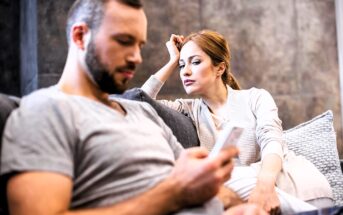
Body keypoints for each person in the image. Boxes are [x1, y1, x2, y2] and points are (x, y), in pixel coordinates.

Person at [0, 0, 269, 215]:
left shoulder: (143, 113)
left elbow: (200, 186)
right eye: (124, 41)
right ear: (81, 36)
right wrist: (175, 193)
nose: (137, 58)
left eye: (139, 45)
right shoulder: (44, 111)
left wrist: (240, 206)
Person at [141, 30, 334, 214]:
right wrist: (172, 60)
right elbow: (140, 101)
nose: (185, 72)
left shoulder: (256, 97)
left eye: (196, 62)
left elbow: (272, 141)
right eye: (182, 65)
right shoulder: (189, 109)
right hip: (244, 197)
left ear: (220, 68)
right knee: (214, 181)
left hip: (295, 188)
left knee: (219, 179)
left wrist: (264, 187)